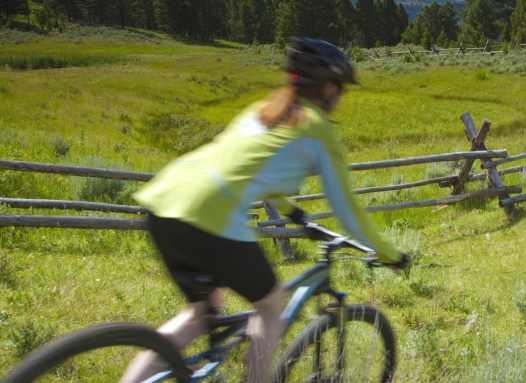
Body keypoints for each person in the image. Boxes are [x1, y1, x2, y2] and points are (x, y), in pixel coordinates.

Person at [122, 37, 407, 383]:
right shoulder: (317, 128)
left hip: (164, 201)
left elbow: (248, 167)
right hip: (209, 216)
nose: (342, 97)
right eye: (341, 89)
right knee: (271, 306)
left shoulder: (264, 109)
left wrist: (293, 213)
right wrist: (390, 254)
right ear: (328, 88)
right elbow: (348, 211)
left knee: (198, 315)